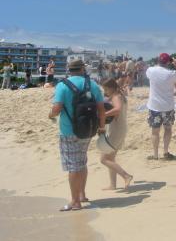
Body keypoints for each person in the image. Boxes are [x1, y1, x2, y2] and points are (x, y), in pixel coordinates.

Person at [48, 59, 106, 211]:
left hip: (69, 131)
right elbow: (101, 109)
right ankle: (81, 194)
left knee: (73, 166)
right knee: (81, 161)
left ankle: (75, 202)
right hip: (88, 129)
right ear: (82, 69)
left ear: (69, 70)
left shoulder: (62, 85)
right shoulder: (92, 84)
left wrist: (51, 114)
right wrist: (101, 128)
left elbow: (57, 107)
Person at [145, 53, 176, 160]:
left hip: (154, 106)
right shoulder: (171, 73)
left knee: (155, 131)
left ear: (158, 60)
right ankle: (166, 152)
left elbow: (149, 74)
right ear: (168, 62)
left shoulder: (151, 70)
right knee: (167, 129)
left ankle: (155, 155)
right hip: (168, 106)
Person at [99, 78, 133, 190]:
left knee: (104, 159)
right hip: (120, 128)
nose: (105, 92)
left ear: (111, 88)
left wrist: (104, 115)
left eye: (106, 89)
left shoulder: (116, 97)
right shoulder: (120, 95)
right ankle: (113, 185)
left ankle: (126, 176)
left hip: (116, 129)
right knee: (111, 158)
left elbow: (117, 109)